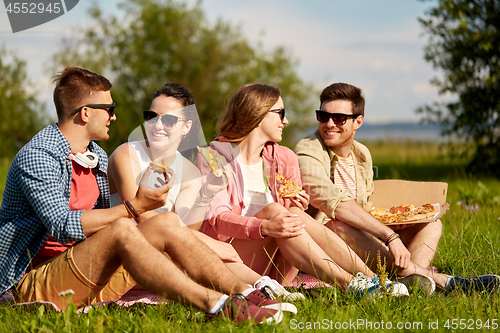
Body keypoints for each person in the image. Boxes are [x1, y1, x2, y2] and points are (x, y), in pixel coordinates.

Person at [0, 67, 287, 324]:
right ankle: (217, 305)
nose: (114, 116)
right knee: (124, 227)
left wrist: (200, 199)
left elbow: (164, 225)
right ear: (85, 113)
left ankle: (247, 294)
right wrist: (133, 207)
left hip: (86, 267)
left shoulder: (95, 156)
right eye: (109, 109)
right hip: (30, 283)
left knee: (166, 223)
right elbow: (62, 226)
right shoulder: (40, 156)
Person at [197, 82, 411, 299]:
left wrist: (294, 204)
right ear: (258, 114)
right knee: (274, 211)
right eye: (280, 114)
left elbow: (290, 217)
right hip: (230, 262)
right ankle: (350, 284)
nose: (286, 121)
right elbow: (218, 218)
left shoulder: (284, 157)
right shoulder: (212, 158)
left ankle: (374, 280)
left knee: (294, 213)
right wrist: (265, 225)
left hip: (276, 268)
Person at [294, 82, 500, 293]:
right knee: (338, 228)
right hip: (327, 243)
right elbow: (333, 203)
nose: (329, 123)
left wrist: (393, 224)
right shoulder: (308, 149)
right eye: (323, 116)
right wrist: (389, 236)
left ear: (358, 122)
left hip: (360, 240)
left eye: (338, 118)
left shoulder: (362, 153)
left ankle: (413, 282)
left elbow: (362, 206)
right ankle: (441, 280)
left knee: (432, 224)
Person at [107, 82, 303, 301]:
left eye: (169, 119)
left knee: (195, 250)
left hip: (164, 253)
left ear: (186, 126)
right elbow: (141, 216)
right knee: (201, 250)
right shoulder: (127, 154)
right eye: (151, 116)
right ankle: (257, 289)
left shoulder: (188, 170)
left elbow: (187, 226)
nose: (157, 125)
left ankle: (259, 289)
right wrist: (208, 243)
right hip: (124, 253)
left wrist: (206, 195)